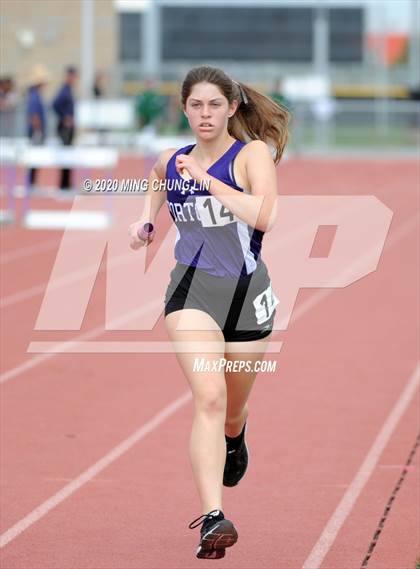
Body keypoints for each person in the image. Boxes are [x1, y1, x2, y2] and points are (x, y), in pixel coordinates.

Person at [128, 65, 289, 560]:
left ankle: (236, 438)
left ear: (232, 108)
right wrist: (145, 220)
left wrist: (206, 180)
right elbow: (157, 178)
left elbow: (266, 216)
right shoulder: (172, 159)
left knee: (233, 409)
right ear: (183, 109)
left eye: (214, 105)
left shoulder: (251, 155)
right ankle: (213, 518)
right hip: (191, 293)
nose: (204, 113)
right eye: (195, 105)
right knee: (210, 395)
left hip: (246, 295)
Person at [52, 66, 78, 190]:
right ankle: (64, 184)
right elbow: (55, 105)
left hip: (69, 128)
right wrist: (65, 117)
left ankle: (67, 183)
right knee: (65, 155)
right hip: (64, 129)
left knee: (69, 155)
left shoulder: (69, 90)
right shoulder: (64, 90)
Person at [26, 64, 49, 187]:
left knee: (35, 157)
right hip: (36, 130)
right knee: (34, 157)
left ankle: (32, 181)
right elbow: (34, 116)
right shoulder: (35, 95)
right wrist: (38, 130)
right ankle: (31, 182)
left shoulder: (34, 95)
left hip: (35, 130)